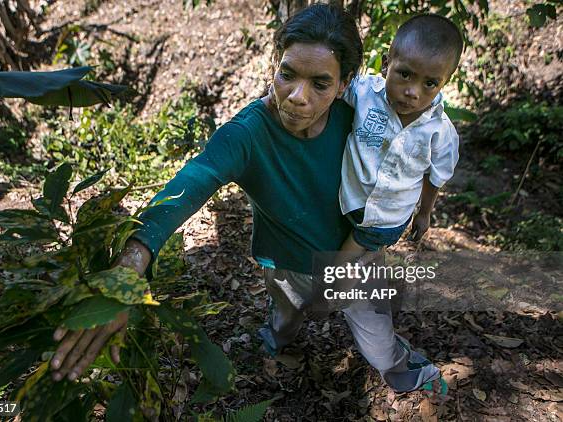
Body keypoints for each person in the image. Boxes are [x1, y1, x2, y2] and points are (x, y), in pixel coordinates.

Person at [50, 4, 443, 396]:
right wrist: (134, 258)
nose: (297, 97)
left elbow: (418, 149)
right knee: (286, 319)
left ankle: (402, 372)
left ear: (344, 84)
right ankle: (276, 339)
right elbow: (193, 181)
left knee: (376, 334)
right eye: (287, 75)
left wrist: (419, 209)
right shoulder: (248, 133)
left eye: (320, 84)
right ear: (275, 65)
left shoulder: (361, 120)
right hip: (286, 265)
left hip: (354, 256)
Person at [339, 14, 462, 260]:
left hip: (388, 218)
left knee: (342, 261)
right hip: (349, 201)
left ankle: (323, 298)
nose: (412, 92)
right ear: (386, 65)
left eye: (429, 83)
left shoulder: (440, 132)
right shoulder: (364, 92)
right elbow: (333, 86)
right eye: (405, 74)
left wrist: (424, 213)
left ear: (444, 83)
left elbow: (436, 178)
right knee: (365, 258)